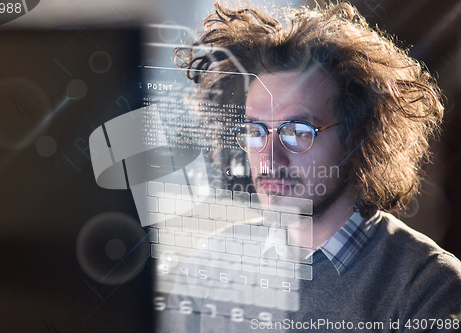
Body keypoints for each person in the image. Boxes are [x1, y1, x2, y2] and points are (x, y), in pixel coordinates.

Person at [156, 1, 461, 332]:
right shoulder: (208, 269)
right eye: (255, 131)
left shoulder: (428, 289)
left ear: (357, 136)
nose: (271, 158)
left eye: (298, 132)